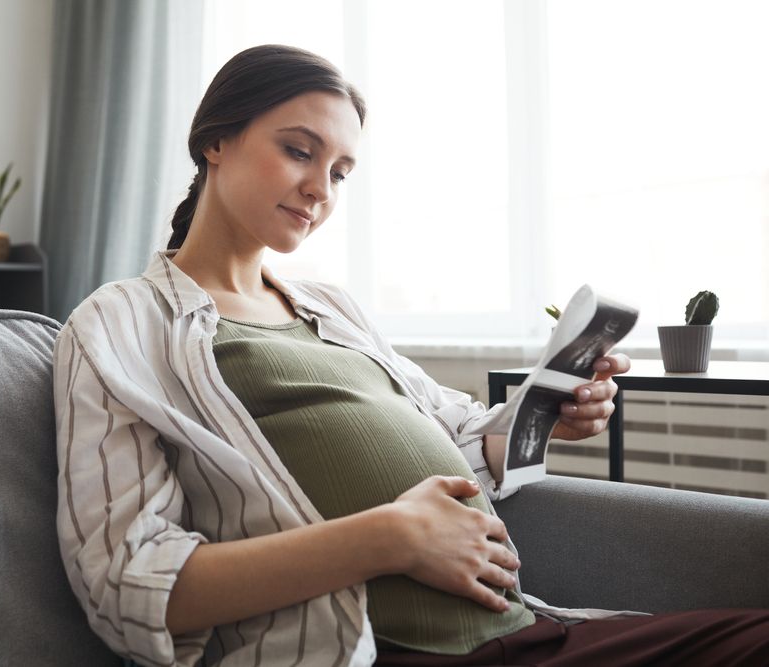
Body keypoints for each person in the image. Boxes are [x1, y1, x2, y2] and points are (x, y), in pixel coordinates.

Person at [53, 44, 769, 667]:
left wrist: (542, 413)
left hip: (530, 632)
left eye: (339, 172)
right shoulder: (118, 325)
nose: (319, 190)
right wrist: (390, 536)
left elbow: (459, 435)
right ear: (216, 140)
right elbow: (126, 580)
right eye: (299, 151)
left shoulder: (333, 307)